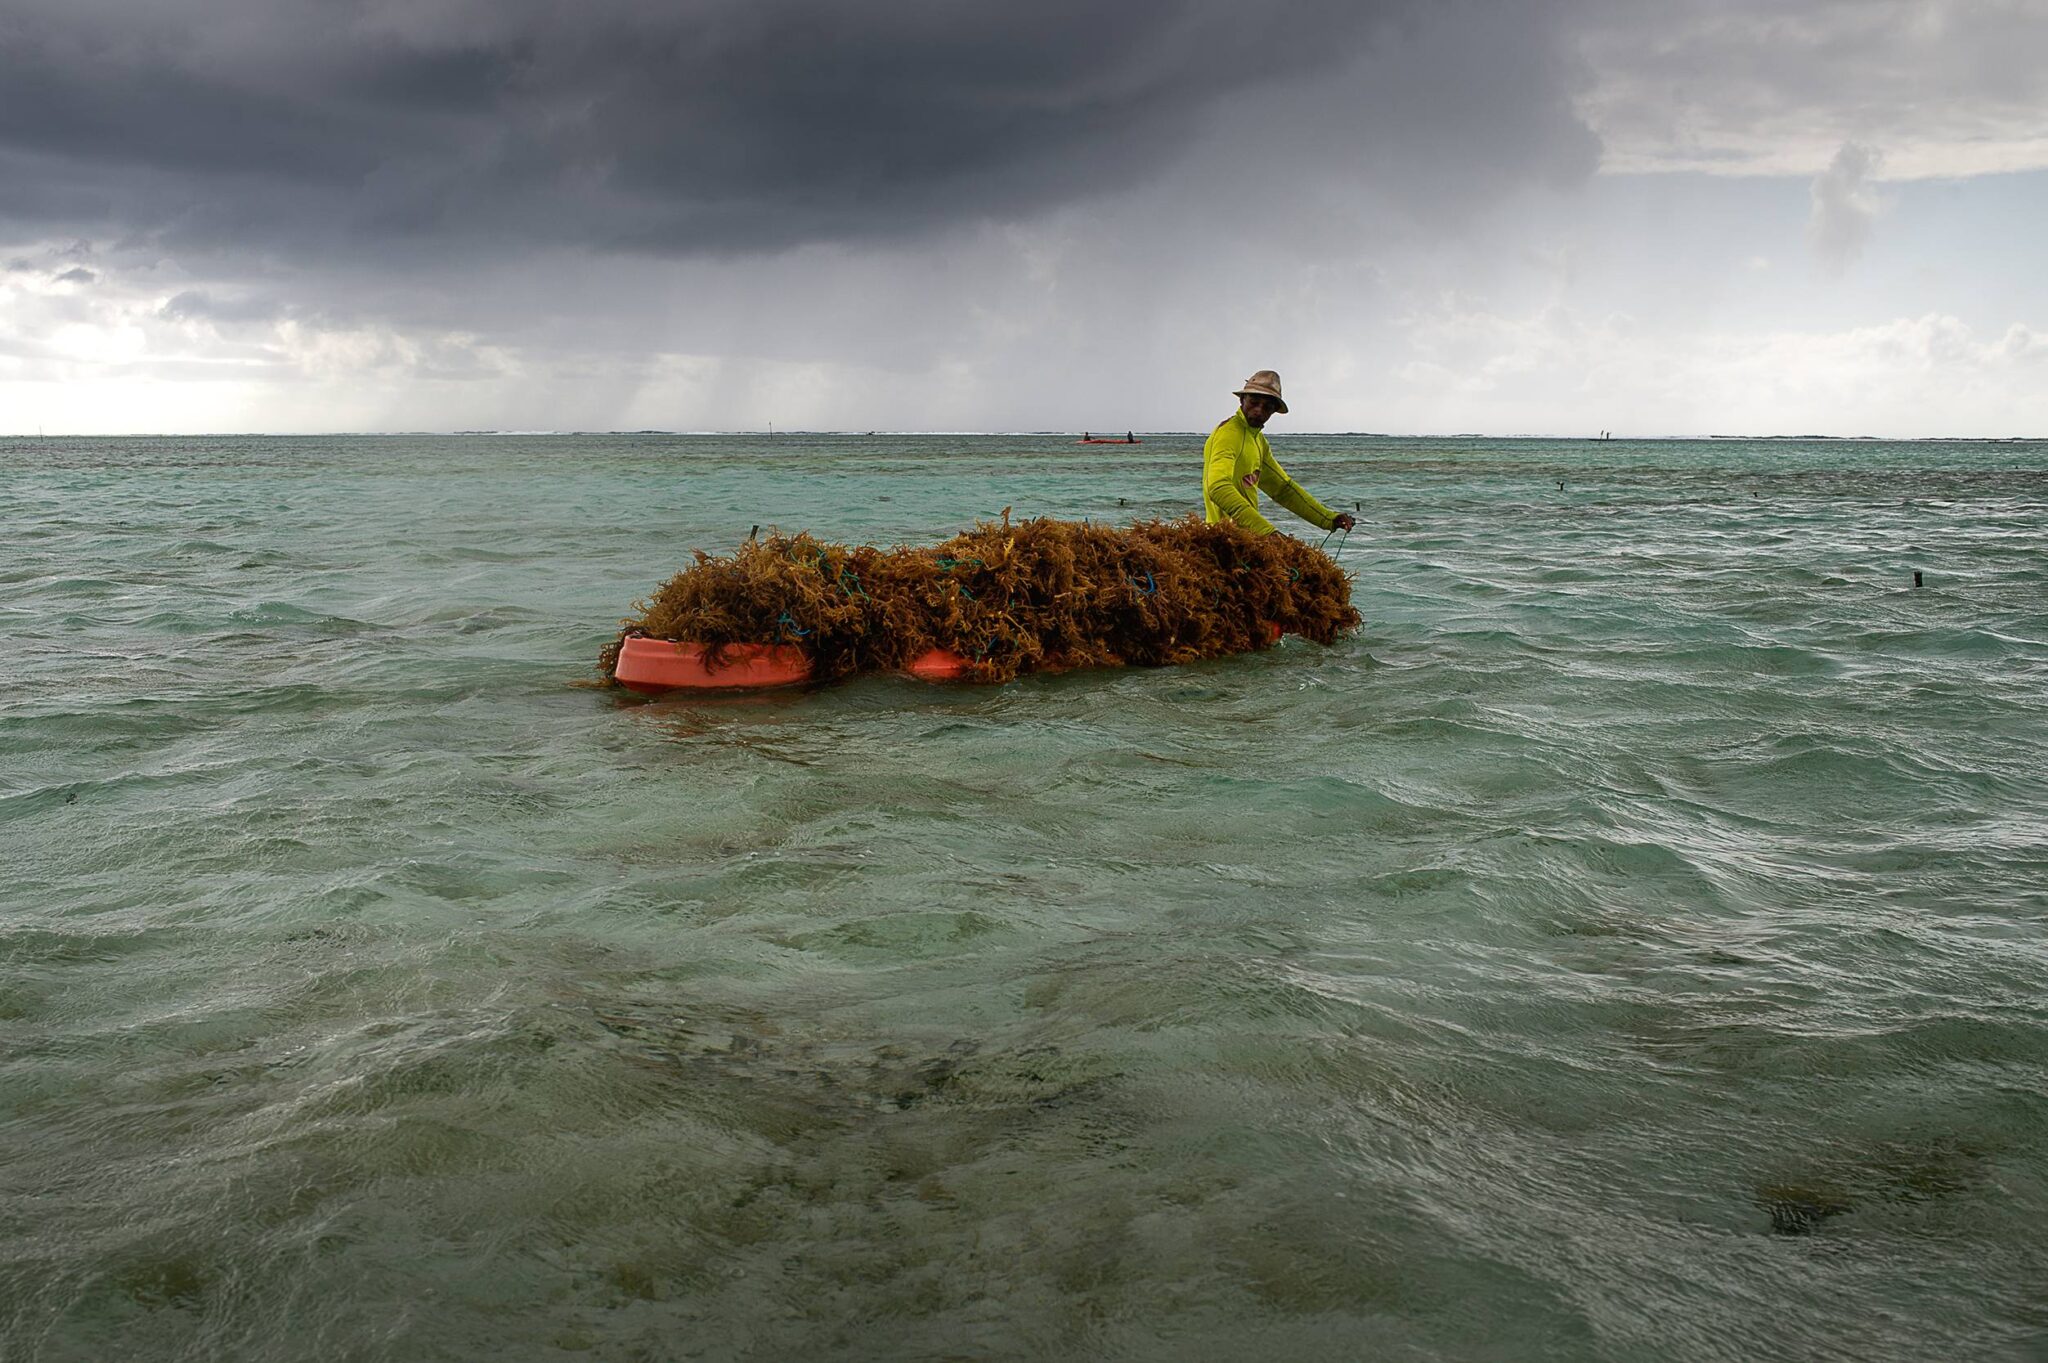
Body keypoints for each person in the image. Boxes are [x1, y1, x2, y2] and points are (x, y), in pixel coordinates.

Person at [1202, 370, 1355, 536]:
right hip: (1221, 536)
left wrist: (1328, 518)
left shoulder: (1259, 442)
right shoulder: (1228, 434)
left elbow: (1283, 489)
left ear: (1274, 411)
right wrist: (1268, 533)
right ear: (1242, 400)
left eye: (1267, 407)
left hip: (1246, 539)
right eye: (1254, 402)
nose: (1258, 410)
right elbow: (1217, 487)